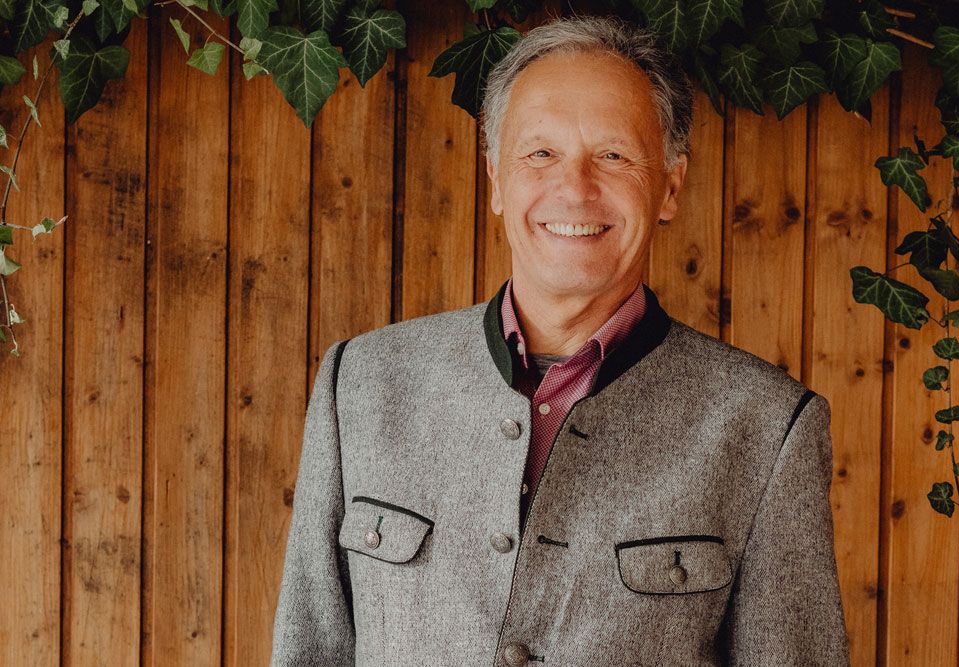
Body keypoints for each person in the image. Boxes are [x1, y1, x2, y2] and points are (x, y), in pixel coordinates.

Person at [270, 14, 851, 667]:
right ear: (495, 177)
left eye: (613, 154)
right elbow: (309, 648)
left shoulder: (767, 427)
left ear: (671, 186)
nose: (574, 188)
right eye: (540, 153)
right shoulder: (362, 381)